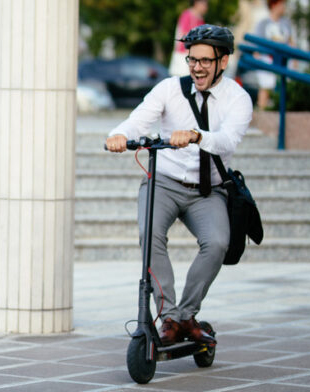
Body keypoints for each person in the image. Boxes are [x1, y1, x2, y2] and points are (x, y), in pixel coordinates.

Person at [105, 25, 252, 346]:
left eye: (205, 61)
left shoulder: (238, 98)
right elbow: (138, 120)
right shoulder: (170, 89)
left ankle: (186, 315)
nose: (197, 68)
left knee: (217, 243)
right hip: (165, 182)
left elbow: (227, 141)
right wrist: (119, 135)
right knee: (149, 235)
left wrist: (197, 136)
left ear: (223, 62)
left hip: (207, 191)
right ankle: (169, 316)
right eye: (192, 60)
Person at [254, 0, 294, 109]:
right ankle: (262, 111)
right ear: (274, 5)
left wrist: (294, 61)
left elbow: (291, 42)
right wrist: (257, 58)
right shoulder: (263, 23)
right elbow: (257, 44)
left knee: (284, 87)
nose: (283, 7)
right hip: (268, 59)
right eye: (281, 4)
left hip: (283, 60)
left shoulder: (286, 23)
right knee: (266, 86)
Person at [168, 0, 208, 77]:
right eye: (204, 4)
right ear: (196, 3)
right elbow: (184, 35)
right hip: (183, 56)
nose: (206, 8)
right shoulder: (188, 15)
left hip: (193, 56)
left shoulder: (200, 20)